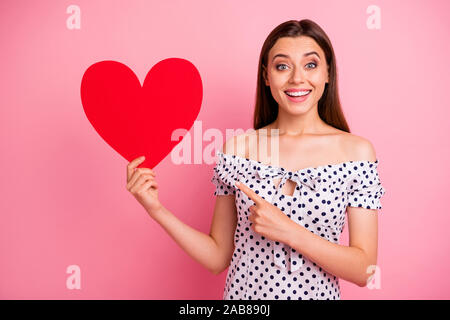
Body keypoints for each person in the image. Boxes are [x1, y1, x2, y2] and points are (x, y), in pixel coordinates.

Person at [126, 19, 386, 300]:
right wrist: (156, 209)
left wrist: (290, 231)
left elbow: (365, 270)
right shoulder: (238, 150)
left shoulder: (356, 153)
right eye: (282, 66)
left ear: (327, 73)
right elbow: (217, 257)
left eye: (310, 65)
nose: (297, 78)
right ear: (266, 76)